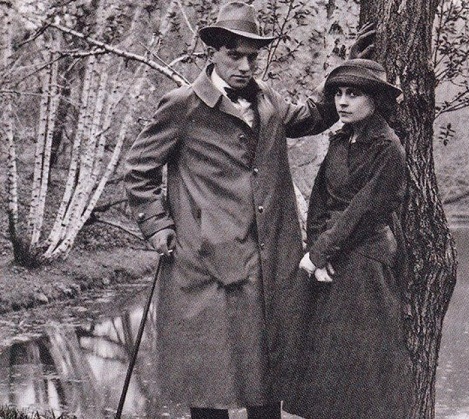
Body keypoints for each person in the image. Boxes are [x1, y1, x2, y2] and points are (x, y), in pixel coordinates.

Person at [122, 2, 374, 418]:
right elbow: (138, 168)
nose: (244, 66)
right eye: (234, 55)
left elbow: (311, 116)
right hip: (206, 264)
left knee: (267, 380)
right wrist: (157, 225)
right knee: (209, 382)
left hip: (271, 261)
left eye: (251, 57)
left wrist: (344, 73)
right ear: (213, 53)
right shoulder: (182, 105)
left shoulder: (268, 99)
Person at [283, 59, 414, 418]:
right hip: (330, 260)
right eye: (338, 93)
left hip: (366, 262)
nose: (342, 101)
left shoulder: (388, 147)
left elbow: (365, 211)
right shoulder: (341, 139)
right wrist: (316, 252)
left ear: (375, 99)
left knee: (359, 375)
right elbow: (320, 200)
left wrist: (320, 254)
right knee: (322, 368)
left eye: (353, 94)